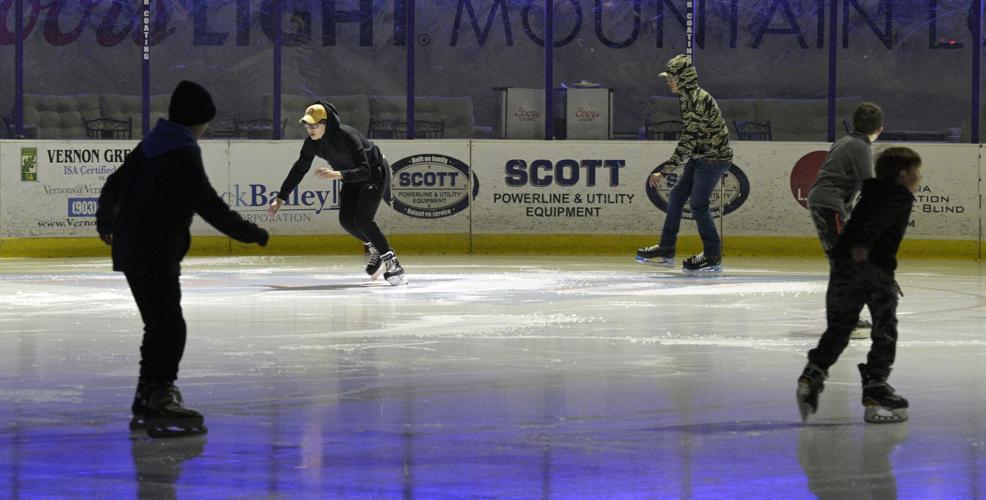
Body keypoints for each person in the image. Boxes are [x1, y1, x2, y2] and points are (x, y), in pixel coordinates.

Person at [96, 80, 270, 438]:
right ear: (199, 120)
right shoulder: (182, 150)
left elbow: (112, 185)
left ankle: (149, 394)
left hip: (135, 246)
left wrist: (107, 220)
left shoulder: (152, 145)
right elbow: (207, 203)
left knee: (159, 325)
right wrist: (251, 233)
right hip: (153, 248)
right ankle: (159, 396)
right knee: (170, 327)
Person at [796, 147, 922, 424]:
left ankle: (812, 374)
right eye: (916, 172)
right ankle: (876, 385)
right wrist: (865, 249)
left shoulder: (871, 192)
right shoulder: (899, 195)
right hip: (870, 267)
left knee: (840, 328)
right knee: (885, 328)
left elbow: (865, 221)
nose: (919, 177)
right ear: (903, 175)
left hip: (843, 264)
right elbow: (877, 223)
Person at [269, 101, 405, 285]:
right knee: (347, 221)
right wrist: (281, 197)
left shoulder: (347, 136)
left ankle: (393, 263)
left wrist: (336, 174)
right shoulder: (312, 144)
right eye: (307, 124)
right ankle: (377, 249)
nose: (310, 128)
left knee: (362, 220)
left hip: (373, 173)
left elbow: (364, 170)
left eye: (314, 124)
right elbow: (299, 169)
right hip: (349, 176)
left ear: (326, 123)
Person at [635, 54, 734, 274]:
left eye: (671, 77)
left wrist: (665, 170)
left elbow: (688, 140)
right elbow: (691, 141)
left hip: (713, 159)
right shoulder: (687, 97)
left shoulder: (698, 101)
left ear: (684, 78)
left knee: (698, 205)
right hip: (701, 157)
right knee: (677, 197)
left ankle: (712, 256)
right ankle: (667, 249)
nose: (668, 81)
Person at [807, 102, 885, 336]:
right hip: (829, 205)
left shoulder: (844, 141)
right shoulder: (860, 147)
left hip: (826, 204)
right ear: (880, 129)